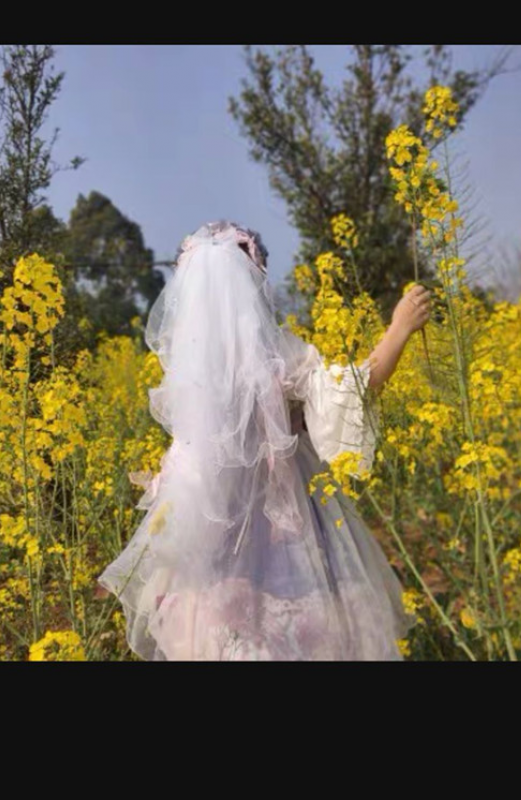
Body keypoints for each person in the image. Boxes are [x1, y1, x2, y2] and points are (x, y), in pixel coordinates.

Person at [95, 220, 432, 661]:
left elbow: (189, 458)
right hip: (290, 514)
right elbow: (356, 391)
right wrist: (399, 328)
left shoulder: (189, 369)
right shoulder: (278, 355)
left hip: (214, 520)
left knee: (217, 630)